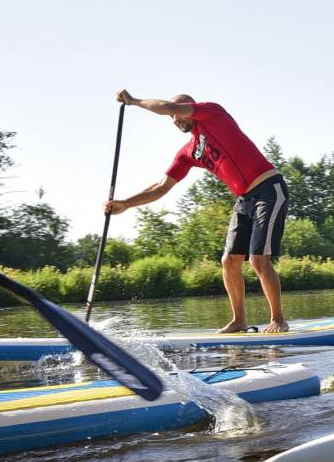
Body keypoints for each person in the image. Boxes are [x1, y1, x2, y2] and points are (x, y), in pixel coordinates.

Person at [106, 90, 290, 333]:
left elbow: (167, 106)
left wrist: (134, 102)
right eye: (171, 118)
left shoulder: (212, 113)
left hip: (268, 190)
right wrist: (126, 203)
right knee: (229, 261)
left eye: (176, 113)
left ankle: (278, 320)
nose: (174, 119)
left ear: (188, 107)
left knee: (258, 259)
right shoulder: (189, 151)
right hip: (244, 200)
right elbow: (161, 187)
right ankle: (239, 321)